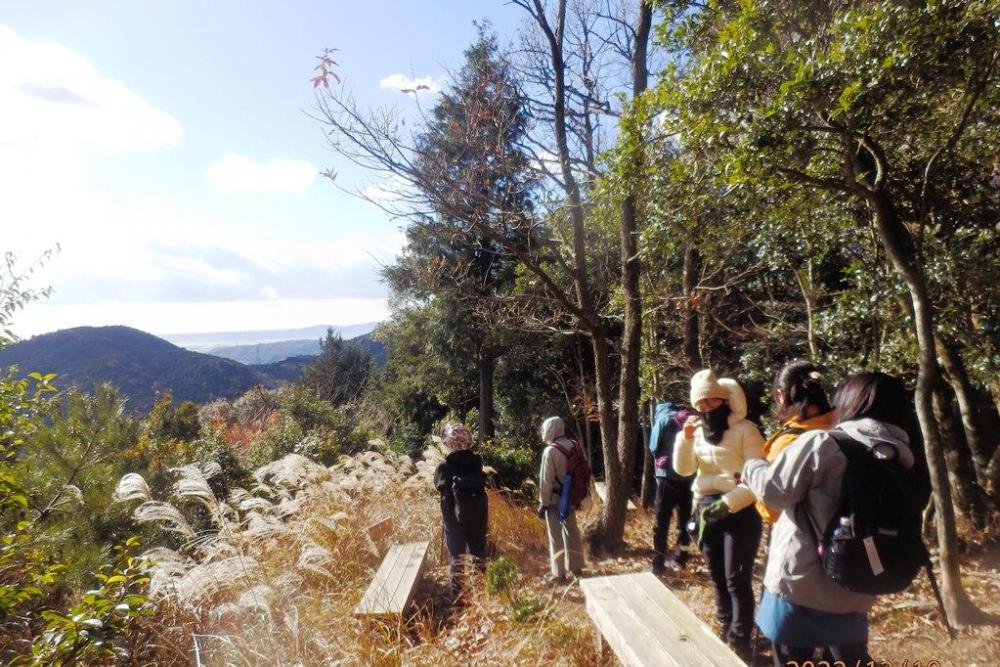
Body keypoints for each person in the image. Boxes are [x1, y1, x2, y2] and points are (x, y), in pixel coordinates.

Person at [742, 372, 930, 665]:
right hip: (858, 584)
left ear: (850, 402)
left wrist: (752, 465)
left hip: (799, 585)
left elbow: (773, 493)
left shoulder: (822, 444)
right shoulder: (901, 456)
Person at [673, 369, 764, 658]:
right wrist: (684, 439)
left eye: (711, 402)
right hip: (705, 510)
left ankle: (740, 639)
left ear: (723, 400)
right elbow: (684, 470)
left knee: (737, 578)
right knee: (716, 575)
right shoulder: (697, 432)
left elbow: (757, 479)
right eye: (700, 404)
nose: (705, 409)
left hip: (740, 512)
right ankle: (725, 627)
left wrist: (726, 504)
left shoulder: (747, 430)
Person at [756, 360, 835, 525]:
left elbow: (771, 509)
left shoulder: (787, 441)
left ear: (781, 395)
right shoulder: (843, 427)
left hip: (802, 537)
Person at [433, 423, 488, 597]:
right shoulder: (476, 461)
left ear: (448, 442)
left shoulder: (444, 466)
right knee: (478, 553)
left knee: (456, 557)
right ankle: (481, 590)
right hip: (478, 514)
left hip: (454, 519)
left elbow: (439, 486)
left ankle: (458, 596)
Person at [648, 401, 696, 574]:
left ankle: (657, 563)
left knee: (661, 523)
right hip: (689, 477)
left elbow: (653, 447)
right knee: (684, 521)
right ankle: (681, 558)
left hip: (666, 477)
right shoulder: (692, 419)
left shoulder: (662, 420)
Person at [538, 416, 585, 583]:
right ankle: (577, 568)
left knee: (555, 536)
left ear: (550, 430)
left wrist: (543, 503)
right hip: (571, 497)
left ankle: (559, 574)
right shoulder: (574, 445)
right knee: (572, 531)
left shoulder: (550, 451)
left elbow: (546, 481)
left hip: (555, 499)